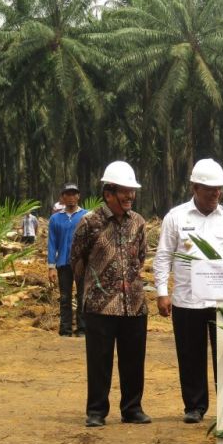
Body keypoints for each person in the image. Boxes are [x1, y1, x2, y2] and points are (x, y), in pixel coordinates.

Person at [153, 158, 223, 424]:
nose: (215, 194)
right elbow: (163, 256)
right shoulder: (176, 217)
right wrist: (162, 291)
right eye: (209, 189)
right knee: (190, 354)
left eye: (219, 189)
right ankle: (194, 406)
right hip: (187, 299)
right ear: (194, 187)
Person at [69, 161, 151, 428]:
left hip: (134, 304)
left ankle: (132, 408)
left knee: (133, 359)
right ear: (108, 193)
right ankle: (96, 411)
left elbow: (141, 256)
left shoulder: (138, 222)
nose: (130, 197)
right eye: (124, 192)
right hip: (100, 305)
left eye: (132, 192)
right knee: (99, 361)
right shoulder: (89, 222)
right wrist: (94, 288)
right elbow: (77, 261)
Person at [47, 183, 87, 337]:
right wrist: (51, 266)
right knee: (65, 297)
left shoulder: (86, 216)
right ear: (62, 197)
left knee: (82, 296)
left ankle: (82, 329)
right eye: (67, 195)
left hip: (82, 264)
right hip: (63, 263)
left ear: (78, 196)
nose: (71, 198)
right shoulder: (55, 219)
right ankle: (65, 329)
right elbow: (52, 243)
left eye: (74, 194)